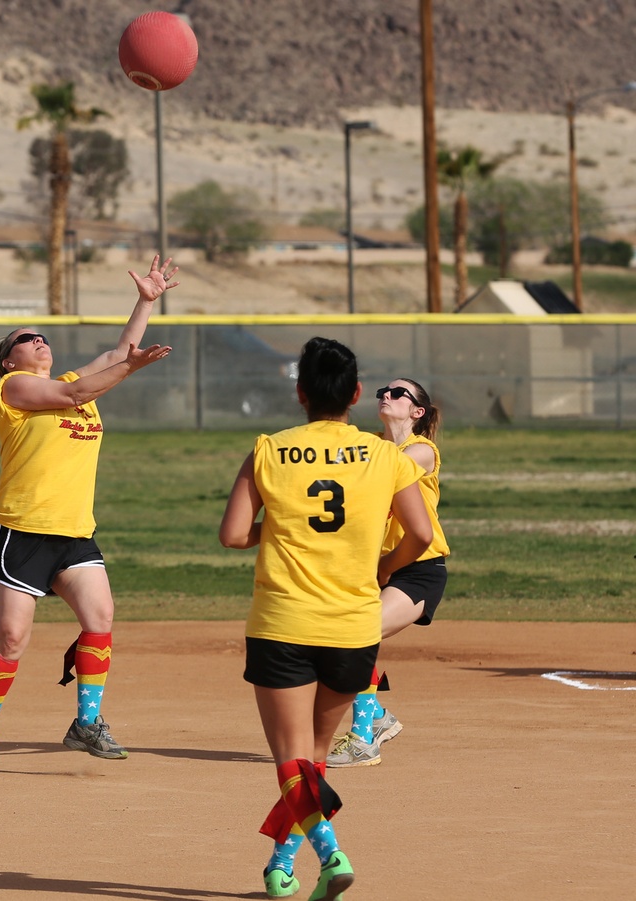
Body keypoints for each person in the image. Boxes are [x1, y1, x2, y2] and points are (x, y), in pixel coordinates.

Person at [219, 337, 432, 900]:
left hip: (283, 622)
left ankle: (331, 854)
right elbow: (423, 534)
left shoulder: (268, 449)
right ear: (356, 394)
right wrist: (385, 565)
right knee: (313, 759)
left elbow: (234, 534)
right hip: (353, 625)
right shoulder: (385, 456)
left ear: (300, 393)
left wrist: (283, 528)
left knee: (291, 760)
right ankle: (279, 868)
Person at [0, 255, 177, 777]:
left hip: (75, 531)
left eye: (41, 336)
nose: (38, 341)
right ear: (8, 360)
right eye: (25, 338)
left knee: (99, 618)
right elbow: (78, 390)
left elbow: (118, 353)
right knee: (12, 639)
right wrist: (130, 367)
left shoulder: (74, 381)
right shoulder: (15, 391)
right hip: (22, 531)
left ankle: (86, 722)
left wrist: (145, 301)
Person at [326, 378, 450, 769]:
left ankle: (364, 740)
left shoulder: (421, 451)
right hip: (375, 570)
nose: (387, 396)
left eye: (398, 393)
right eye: (383, 390)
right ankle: (377, 716)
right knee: (343, 640)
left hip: (418, 570)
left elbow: (379, 472)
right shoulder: (373, 448)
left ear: (418, 412)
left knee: (358, 634)